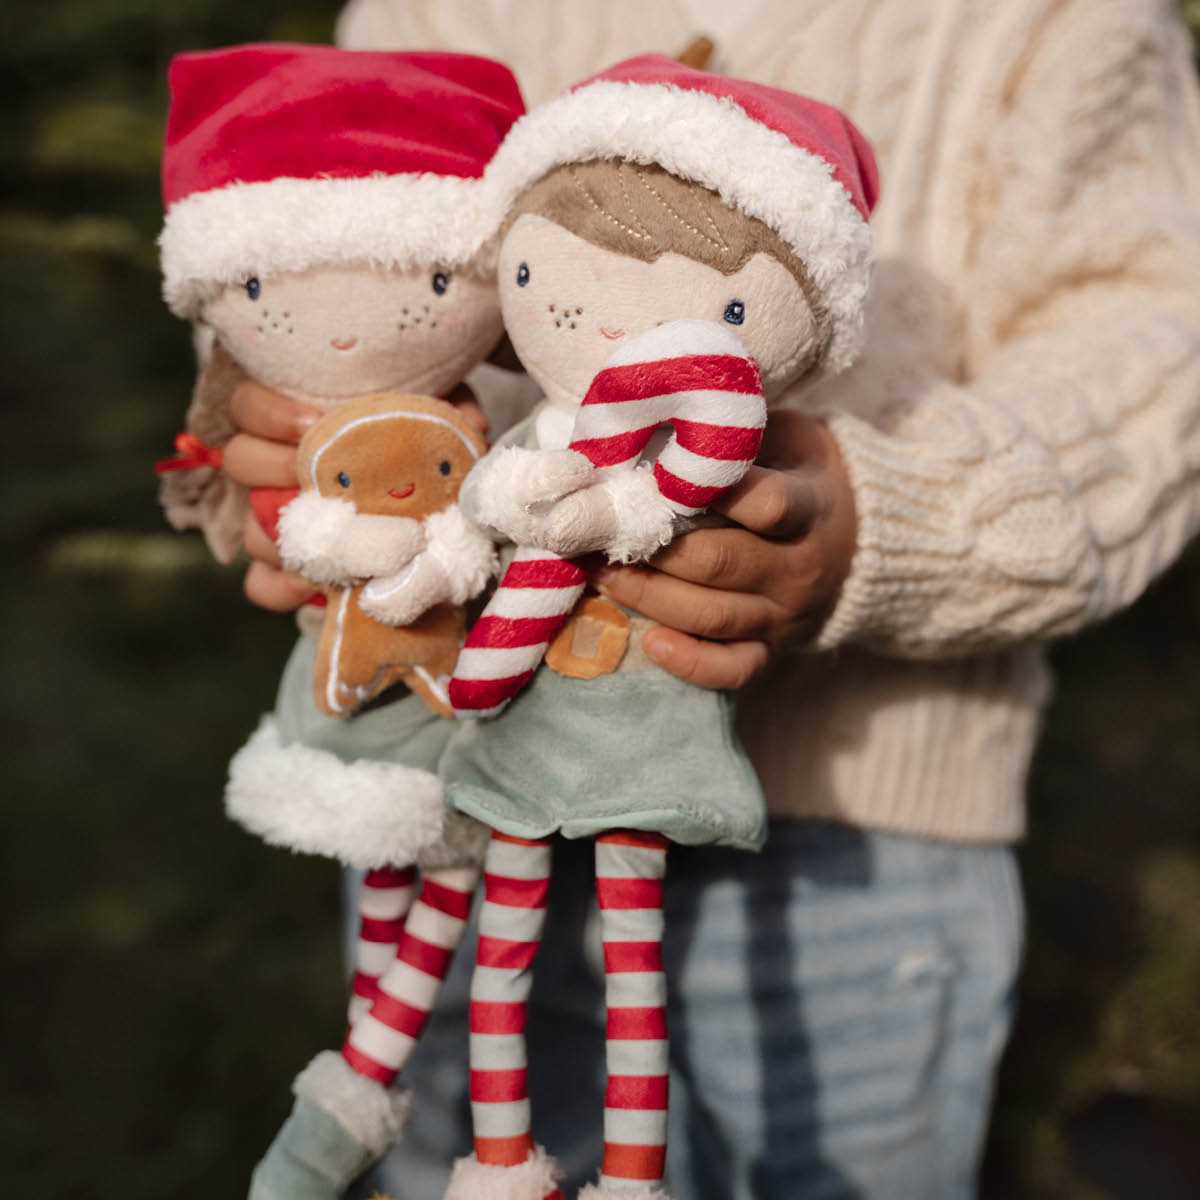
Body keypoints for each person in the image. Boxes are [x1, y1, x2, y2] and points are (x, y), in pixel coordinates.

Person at [208, 2, 1200, 1197]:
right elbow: (314, 240)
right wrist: (269, 436)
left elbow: (1155, 344)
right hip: (447, 792)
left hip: (863, 830)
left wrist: (885, 519)